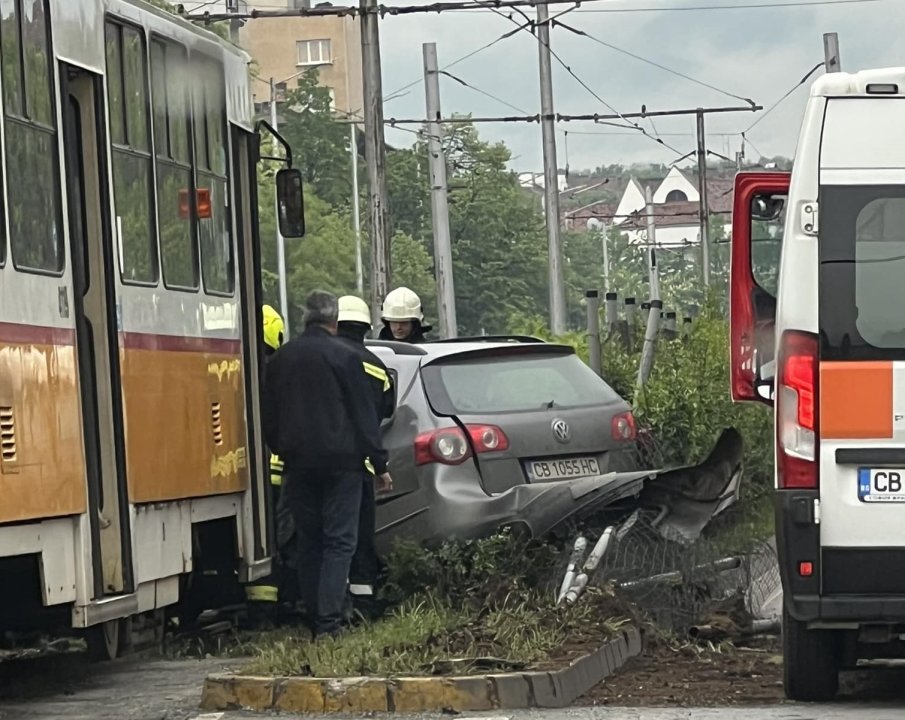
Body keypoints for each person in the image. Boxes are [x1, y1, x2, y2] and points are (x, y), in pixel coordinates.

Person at [263, 290, 392, 639]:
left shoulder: (282, 359)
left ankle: (312, 617)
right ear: (334, 321)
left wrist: (283, 448)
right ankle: (328, 625)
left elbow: (268, 416)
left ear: (304, 318)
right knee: (339, 542)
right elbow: (363, 416)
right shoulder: (345, 357)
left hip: (298, 464)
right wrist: (379, 465)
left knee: (310, 542)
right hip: (343, 466)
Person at [336, 295, 395, 620]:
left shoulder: (327, 361)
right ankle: (364, 606)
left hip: (320, 463)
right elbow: (384, 414)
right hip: (363, 465)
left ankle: (331, 605)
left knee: (331, 538)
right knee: (359, 538)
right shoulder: (378, 367)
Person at [245, 304, 290, 624]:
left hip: (248, 475)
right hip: (280, 473)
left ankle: (260, 610)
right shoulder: (281, 372)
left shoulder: (238, 369)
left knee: (258, 542)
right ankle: (276, 607)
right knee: (279, 541)